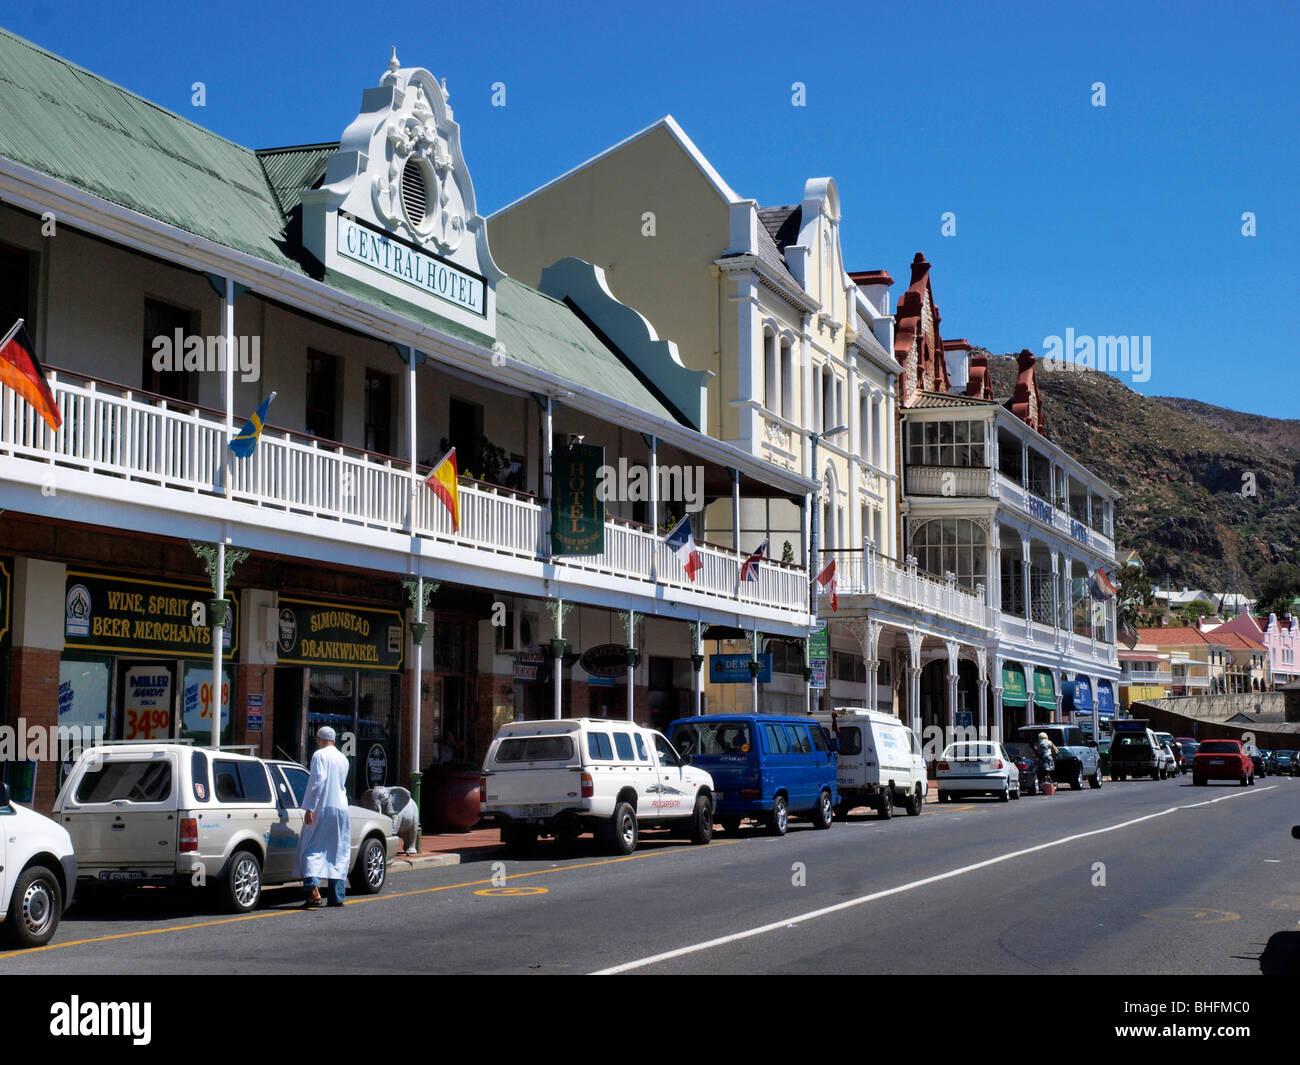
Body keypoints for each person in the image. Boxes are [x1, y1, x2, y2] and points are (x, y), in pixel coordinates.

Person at [295, 725, 352, 909]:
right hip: (341, 809)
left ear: (320, 739)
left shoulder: (319, 755)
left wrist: (309, 808)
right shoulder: (343, 758)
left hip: (323, 807)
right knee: (338, 850)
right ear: (334, 740)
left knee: (310, 848)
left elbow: (317, 782)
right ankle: (337, 895)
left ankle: (313, 890)